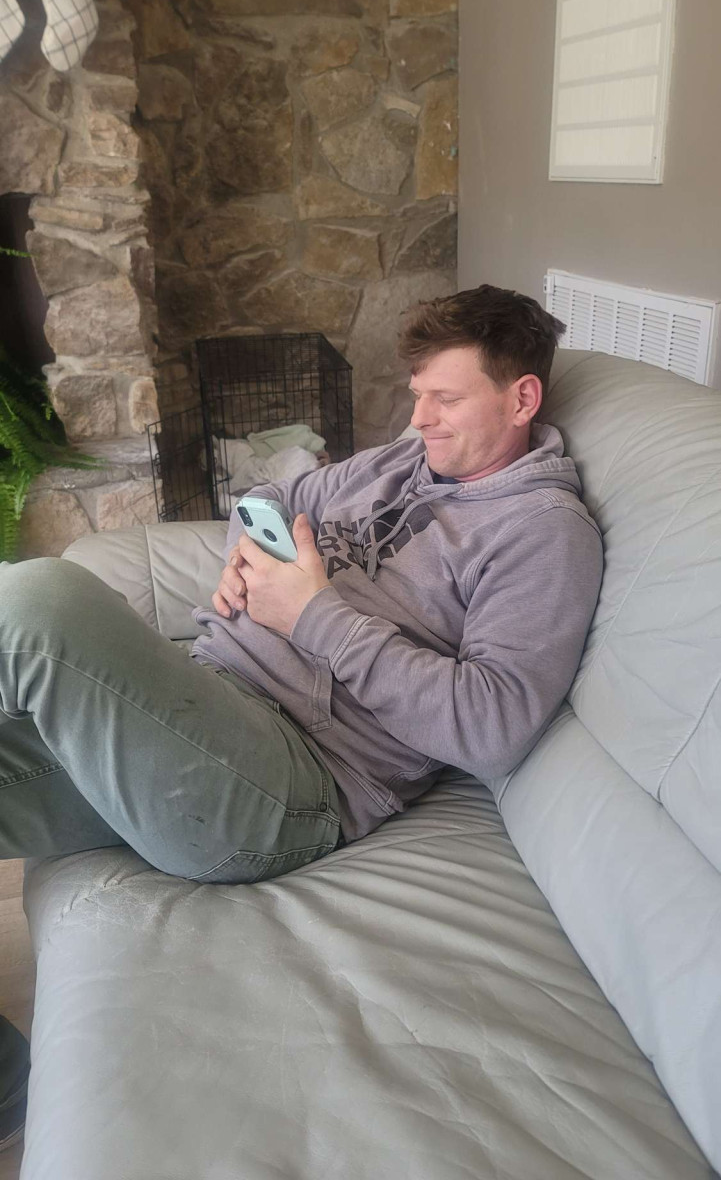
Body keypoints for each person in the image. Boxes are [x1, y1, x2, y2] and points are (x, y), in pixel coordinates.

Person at [0, 283, 603, 1148]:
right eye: (417, 394)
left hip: (285, 786)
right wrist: (245, 552)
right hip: (202, 705)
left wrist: (312, 614)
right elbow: (280, 498)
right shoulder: (401, 462)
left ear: (521, 398)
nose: (419, 419)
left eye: (444, 398)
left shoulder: (542, 532)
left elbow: (492, 726)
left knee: (40, 602)